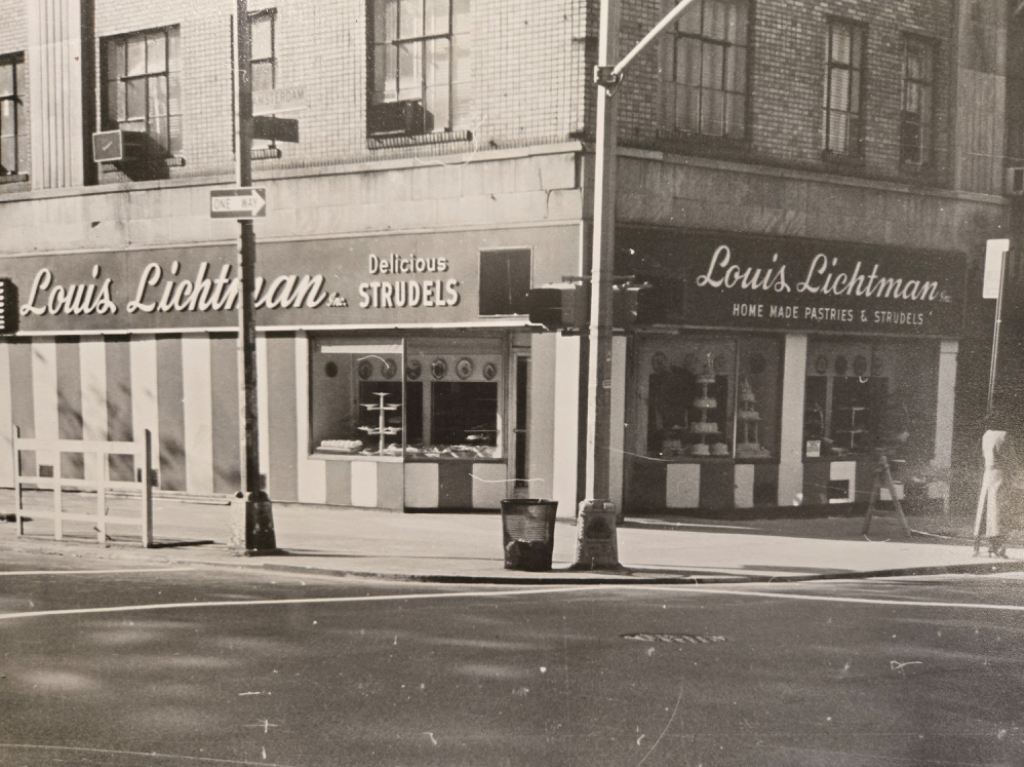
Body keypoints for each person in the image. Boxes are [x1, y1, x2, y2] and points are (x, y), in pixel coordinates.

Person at [973, 412, 1016, 558]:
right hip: (1001, 475)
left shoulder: (987, 435)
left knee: (985, 508)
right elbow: (1011, 458)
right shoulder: (1004, 436)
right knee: (1000, 511)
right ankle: (998, 546)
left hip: (988, 474)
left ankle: (979, 545)